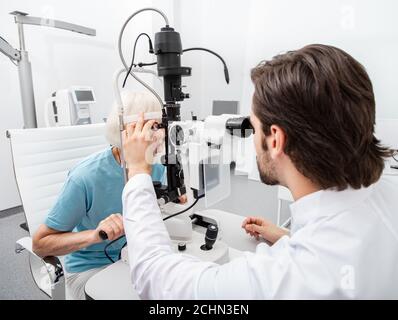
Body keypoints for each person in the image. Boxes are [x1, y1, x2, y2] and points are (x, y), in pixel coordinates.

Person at [121, 44, 398, 299]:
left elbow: (154, 277)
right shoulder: (385, 194)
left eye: (254, 126)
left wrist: (137, 171)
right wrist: (288, 238)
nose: (252, 138)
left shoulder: (281, 281)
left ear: (275, 139)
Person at [32, 91, 165, 300]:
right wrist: (96, 235)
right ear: (129, 130)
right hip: (93, 269)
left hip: (136, 258)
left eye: (161, 125)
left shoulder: (156, 166)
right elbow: (40, 245)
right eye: (152, 128)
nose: (160, 135)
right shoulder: (85, 176)